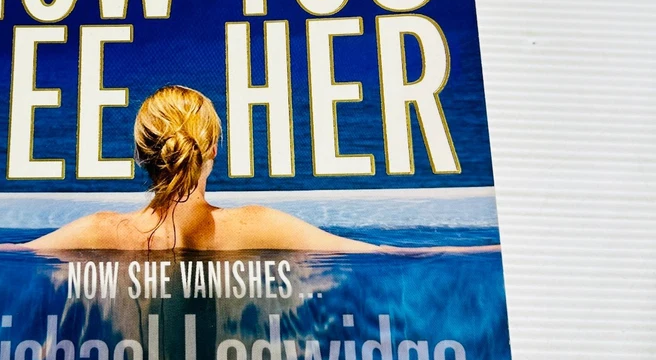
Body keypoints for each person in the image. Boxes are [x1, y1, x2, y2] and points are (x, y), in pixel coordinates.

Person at [26, 85, 496, 254]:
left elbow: (6, 252)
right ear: (212, 150)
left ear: (141, 155)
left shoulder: (100, 232)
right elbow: (383, 254)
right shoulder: (256, 227)